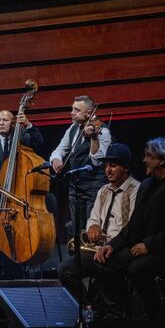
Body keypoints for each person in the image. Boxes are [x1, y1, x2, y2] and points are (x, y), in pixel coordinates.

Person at [92, 137, 165, 319]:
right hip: (148, 248)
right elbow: (134, 223)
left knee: (138, 268)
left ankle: (155, 315)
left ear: (163, 159)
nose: (144, 160)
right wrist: (112, 245)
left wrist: (149, 245)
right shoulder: (147, 184)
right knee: (103, 261)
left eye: (148, 156)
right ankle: (115, 316)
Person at [57, 143, 139, 307]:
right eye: (106, 165)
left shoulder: (136, 189)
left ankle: (108, 311)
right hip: (100, 248)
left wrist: (112, 244)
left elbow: (134, 225)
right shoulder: (103, 190)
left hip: (121, 247)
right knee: (65, 270)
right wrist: (93, 227)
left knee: (100, 263)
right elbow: (94, 218)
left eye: (113, 165)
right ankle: (92, 308)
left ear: (126, 168)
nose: (108, 169)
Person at [49, 96, 111, 234]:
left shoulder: (102, 131)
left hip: (93, 189)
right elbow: (60, 149)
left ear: (89, 113)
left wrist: (94, 138)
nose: (72, 112)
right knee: (76, 229)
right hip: (75, 188)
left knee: (91, 230)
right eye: (72, 109)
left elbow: (97, 161)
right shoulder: (73, 128)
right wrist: (56, 159)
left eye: (76, 110)